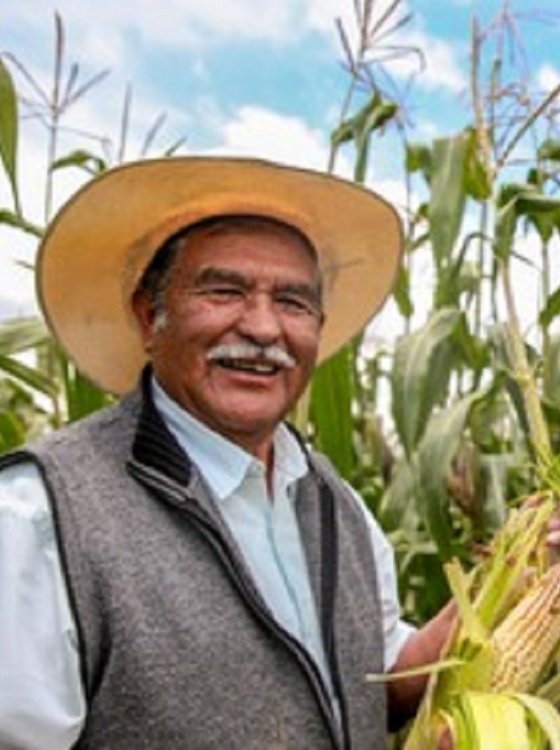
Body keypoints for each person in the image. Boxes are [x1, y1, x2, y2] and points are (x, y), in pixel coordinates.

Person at [0, 157, 458, 748]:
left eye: (293, 302)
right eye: (224, 290)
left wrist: (513, 591)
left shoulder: (335, 504)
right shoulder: (39, 516)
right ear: (148, 316)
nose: (265, 328)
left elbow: (380, 674)